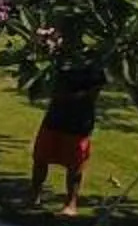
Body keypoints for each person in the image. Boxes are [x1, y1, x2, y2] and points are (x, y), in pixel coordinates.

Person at [27, 59, 106, 216]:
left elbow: (94, 91)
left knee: (75, 164)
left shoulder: (93, 63)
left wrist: (69, 97)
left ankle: (71, 204)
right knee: (41, 157)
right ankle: (34, 196)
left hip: (79, 121)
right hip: (54, 116)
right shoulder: (59, 58)